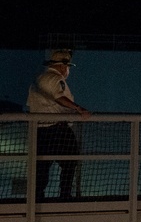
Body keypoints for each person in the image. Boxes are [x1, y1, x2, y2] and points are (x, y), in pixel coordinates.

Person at [27, 49, 92, 200]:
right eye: (68, 67)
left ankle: (37, 196)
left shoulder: (39, 79)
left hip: (39, 129)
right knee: (70, 159)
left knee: (42, 165)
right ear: (63, 67)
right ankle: (65, 194)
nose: (68, 70)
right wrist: (78, 108)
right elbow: (59, 97)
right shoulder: (56, 79)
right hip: (57, 128)